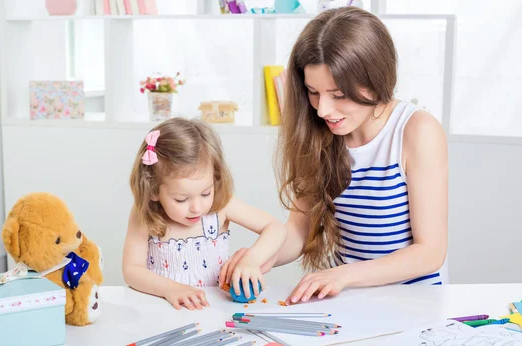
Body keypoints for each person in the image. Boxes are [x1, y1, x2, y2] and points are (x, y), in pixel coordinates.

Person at [220, 7, 449, 305]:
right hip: (347, 301)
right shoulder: (319, 132)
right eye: (313, 92)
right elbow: (299, 233)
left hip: (415, 303)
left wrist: (342, 275)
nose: (323, 110)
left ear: (377, 80)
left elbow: (429, 253)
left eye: (338, 95)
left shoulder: (416, 130)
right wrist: (260, 255)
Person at [122, 118, 287, 310]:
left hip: (215, 310)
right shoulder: (145, 215)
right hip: (164, 311)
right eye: (181, 199)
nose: (197, 207)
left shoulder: (221, 206)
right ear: (153, 190)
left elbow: (276, 229)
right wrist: (171, 289)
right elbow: (132, 270)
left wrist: (251, 260)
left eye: (206, 193)